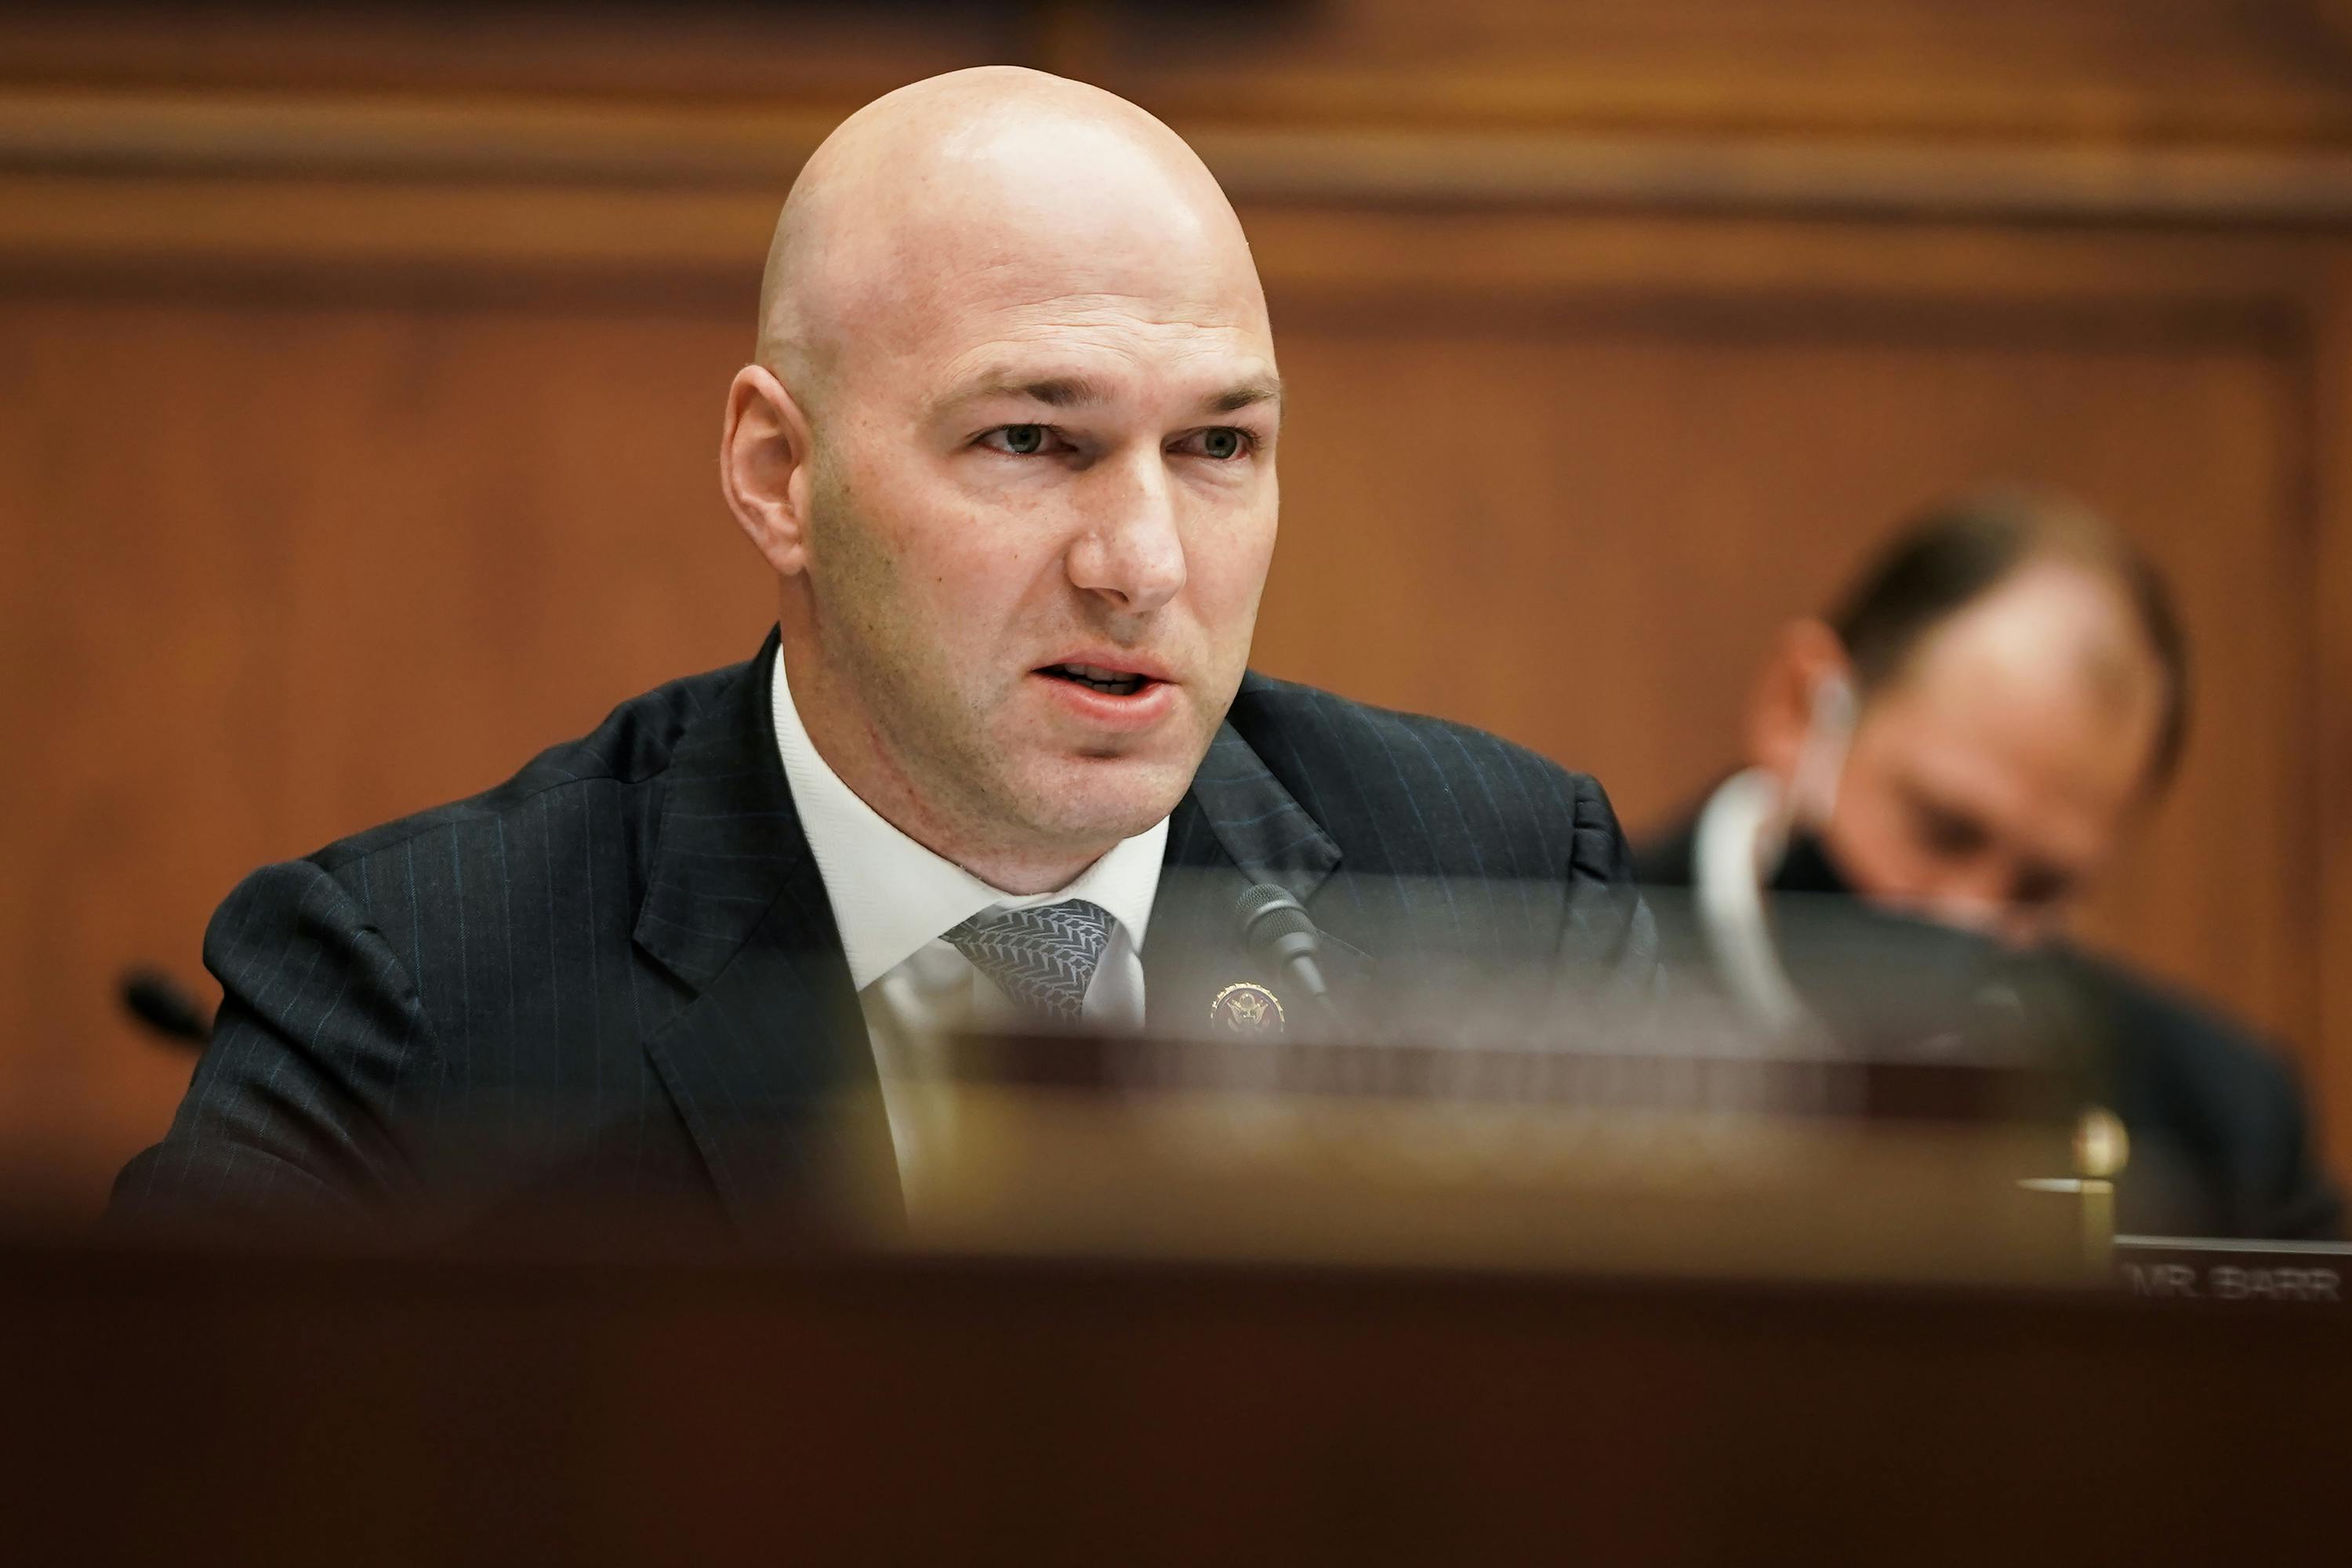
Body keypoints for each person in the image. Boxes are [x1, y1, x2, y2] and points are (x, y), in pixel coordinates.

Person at [115, 68, 1653, 1240]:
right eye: (1033, 438)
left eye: (1219, 444)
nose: (1143, 562)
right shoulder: (422, 992)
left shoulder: (1505, 888)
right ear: (781, 475)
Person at [1636, 488, 2339, 1239]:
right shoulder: (1563, 947)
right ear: (1802, 707)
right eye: (1942, 831)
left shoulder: (2215, 1127)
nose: (1968, 916)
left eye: (2041, 887)